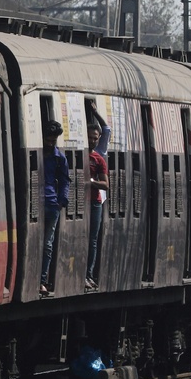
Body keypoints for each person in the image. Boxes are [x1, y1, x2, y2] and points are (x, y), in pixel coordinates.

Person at [39, 120, 70, 295]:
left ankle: (42, 280)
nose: (50, 144)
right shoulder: (38, 154)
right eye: (48, 140)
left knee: (47, 244)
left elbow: (65, 180)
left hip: (52, 205)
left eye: (53, 141)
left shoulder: (60, 158)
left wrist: (61, 201)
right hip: (36, 204)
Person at [84, 121, 109, 290]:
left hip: (94, 202)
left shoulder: (98, 160)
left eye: (95, 138)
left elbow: (106, 185)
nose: (92, 140)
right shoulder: (80, 155)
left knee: (92, 239)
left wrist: (91, 182)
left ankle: (89, 274)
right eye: (90, 137)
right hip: (81, 202)